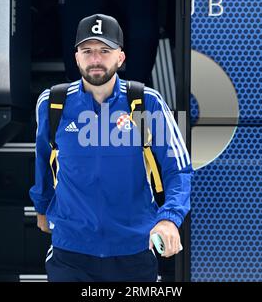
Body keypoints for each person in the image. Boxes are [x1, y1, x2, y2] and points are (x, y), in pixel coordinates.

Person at [29, 14, 192, 282]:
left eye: (105, 51)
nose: (95, 59)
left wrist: (170, 218)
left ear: (121, 57)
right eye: (87, 51)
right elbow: (43, 161)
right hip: (71, 249)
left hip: (134, 247)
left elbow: (179, 169)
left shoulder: (143, 103)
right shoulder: (54, 103)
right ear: (77, 57)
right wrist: (42, 205)